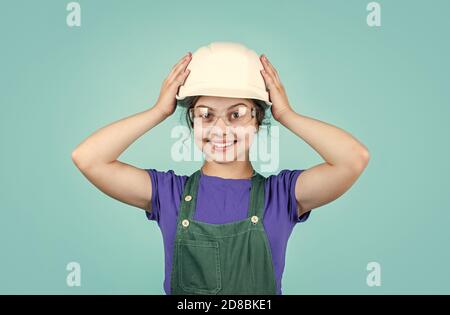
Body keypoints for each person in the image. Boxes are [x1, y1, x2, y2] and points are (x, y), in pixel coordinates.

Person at [71, 42, 370, 295]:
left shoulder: (283, 196)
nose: (221, 128)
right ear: (192, 121)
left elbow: (353, 158)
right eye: (206, 115)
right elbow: (88, 158)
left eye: (237, 114)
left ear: (257, 120)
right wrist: (158, 111)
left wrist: (286, 114)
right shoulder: (168, 193)